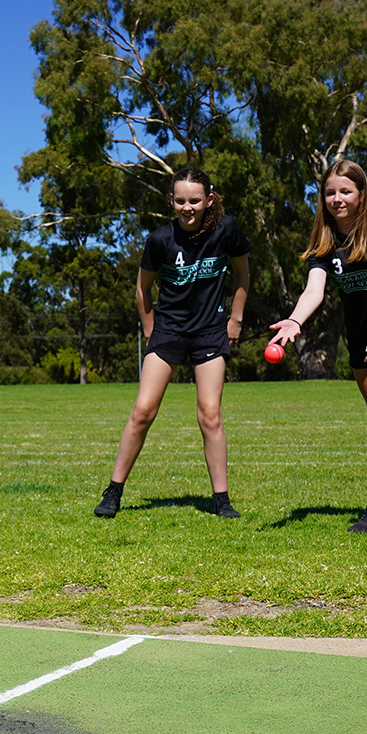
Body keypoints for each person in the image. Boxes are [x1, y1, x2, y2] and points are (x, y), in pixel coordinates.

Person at [268, 159, 367, 533]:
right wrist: (295, 320)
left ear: (361, 194)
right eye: (330, 192)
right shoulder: (326, 245)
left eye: (346, 191)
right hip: (360, 337)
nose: (337, 198)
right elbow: (313, 291)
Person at [93, 167, 250, 519]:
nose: (187, 207)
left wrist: (235, 320)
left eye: (195, 200)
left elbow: (242, 273)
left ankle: (221, 500)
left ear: (209, 199)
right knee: (143, 411)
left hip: (211, 331)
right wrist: (150, 328)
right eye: (180, 201)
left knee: (210, 415)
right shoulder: (160, 240)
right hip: (168, 331)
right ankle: (113, 491)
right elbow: (142, 289)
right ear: (171, 201)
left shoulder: (227, 230)